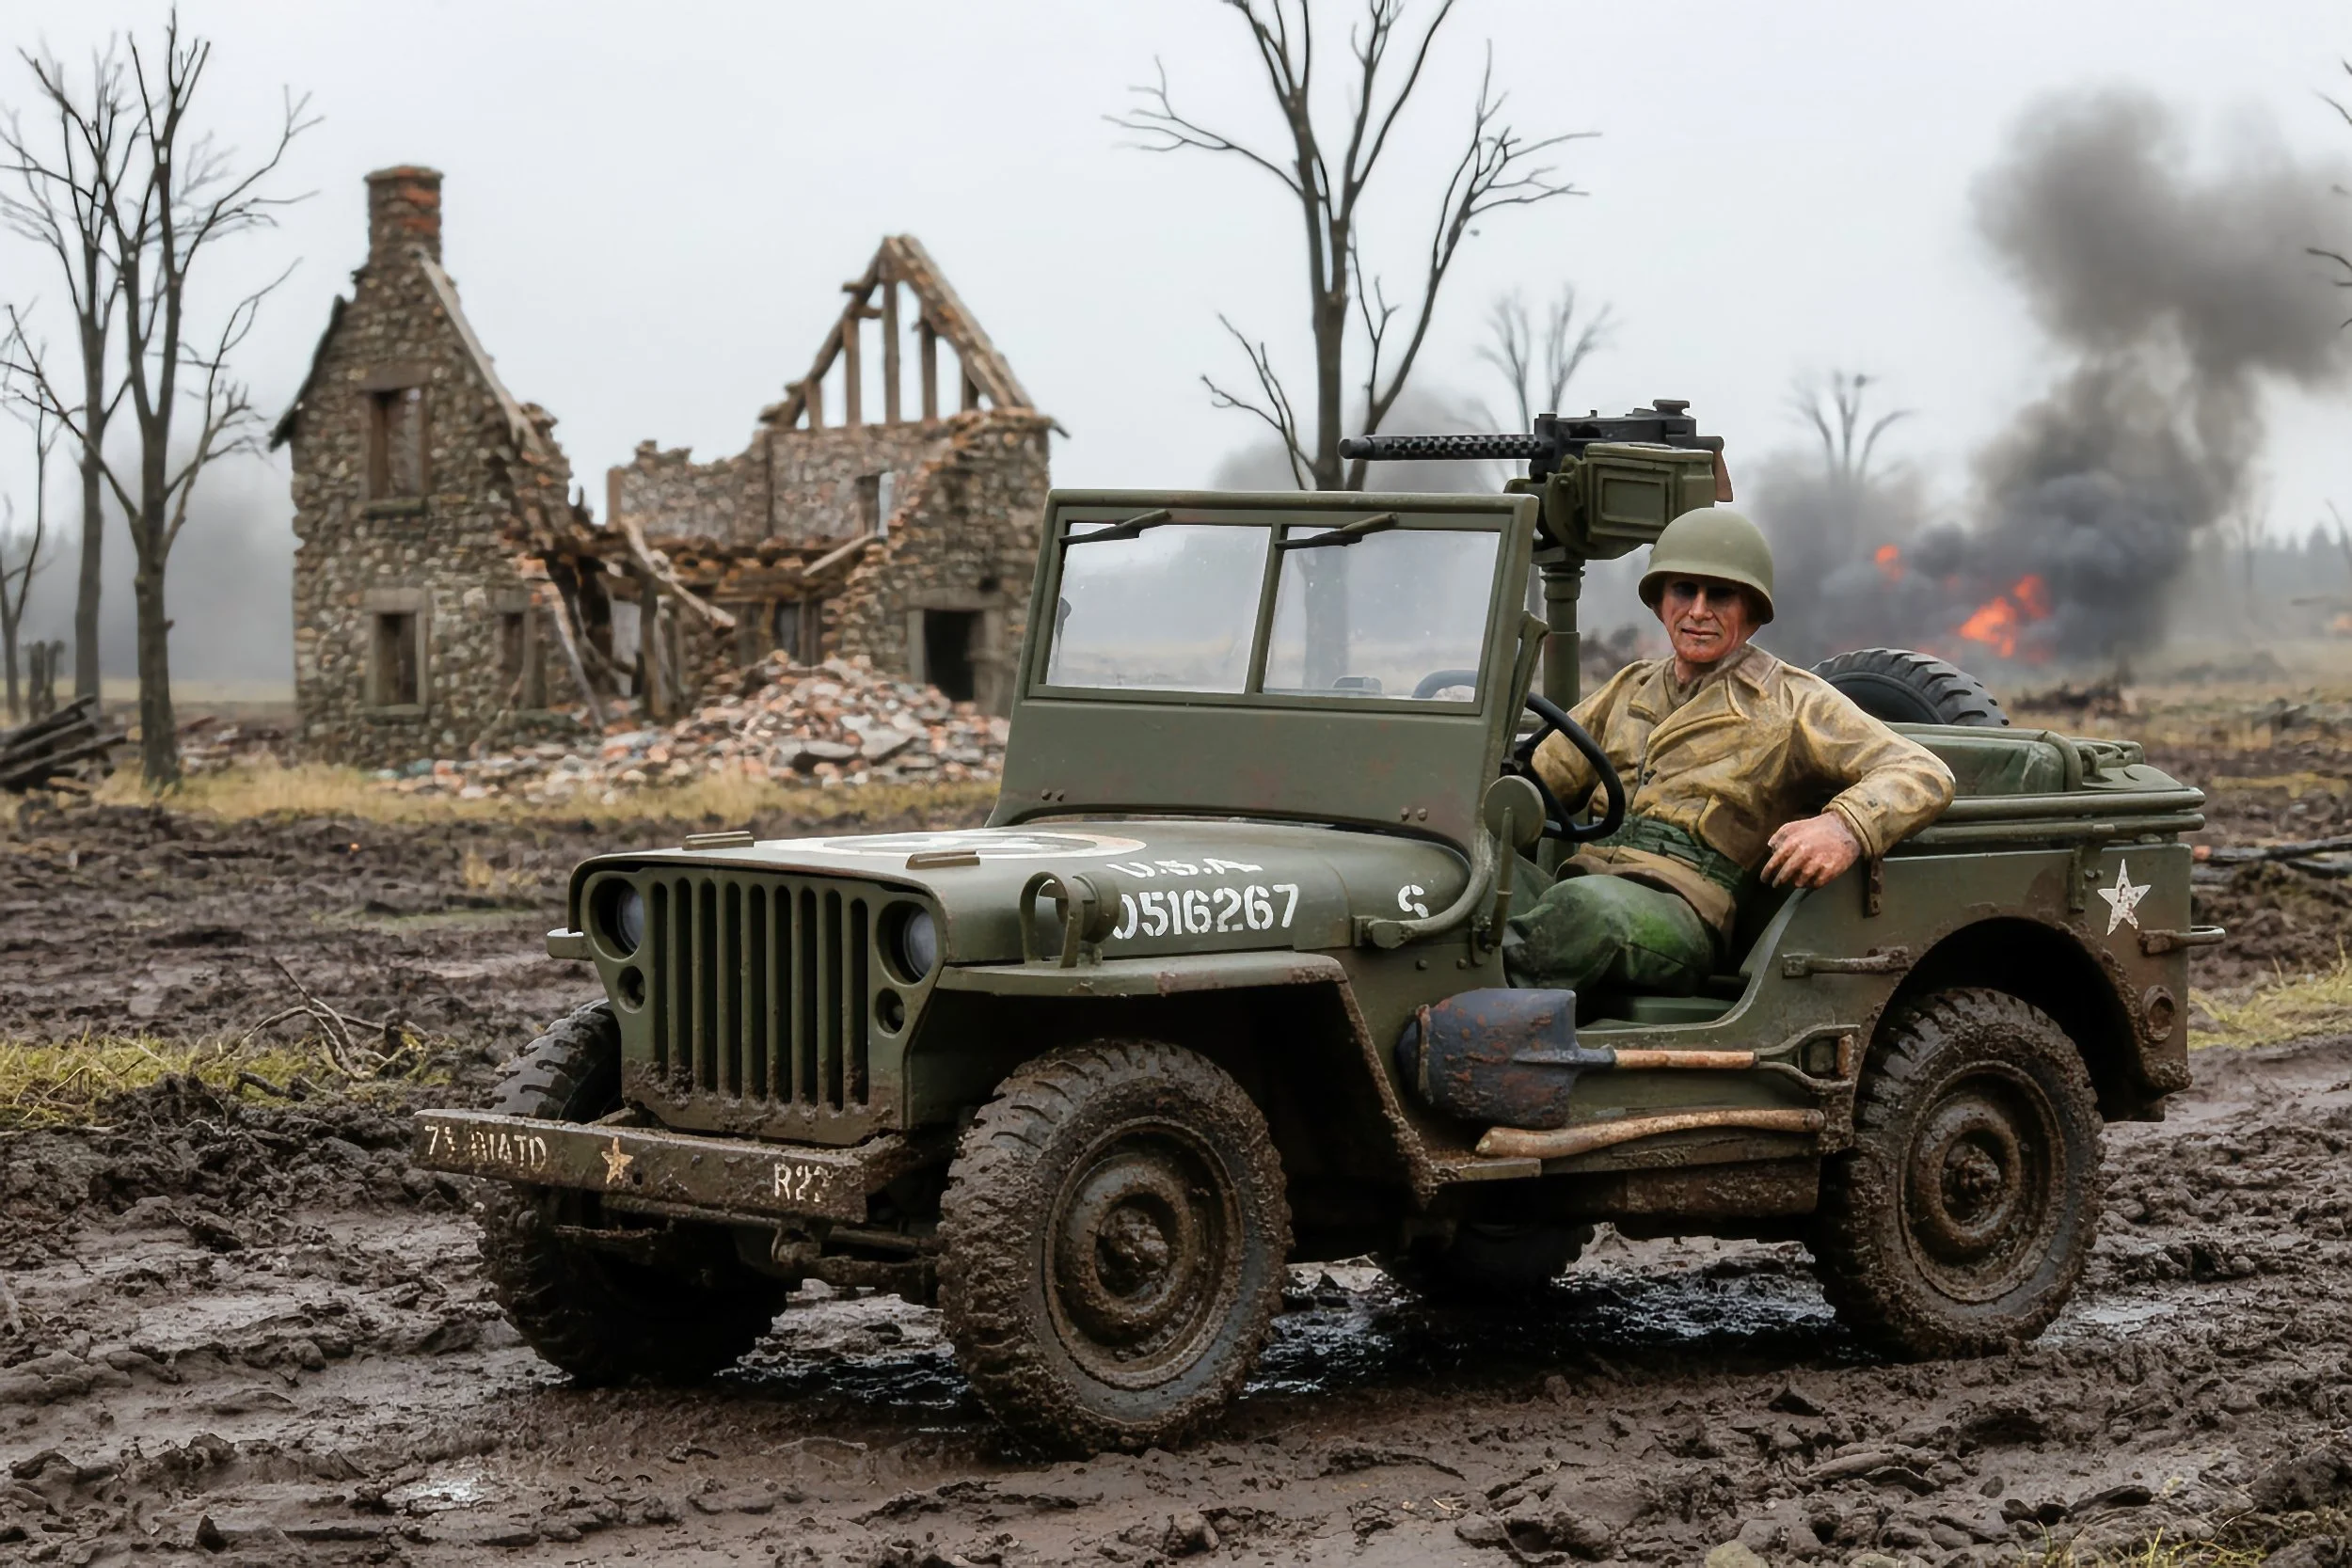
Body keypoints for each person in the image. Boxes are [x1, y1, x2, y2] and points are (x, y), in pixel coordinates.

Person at [1502, 506, 1955, 998]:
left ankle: (1467, 1015)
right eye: (1683, 591)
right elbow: (1538, 781)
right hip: (1581, 882)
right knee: (1465, 882)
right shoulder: (1630, 687)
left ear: (1752, 612)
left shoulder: (1793, 701)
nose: (1698, 611)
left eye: (1720, 595)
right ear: (1660, 602)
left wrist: (1843, 826)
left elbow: (1922, 771)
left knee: (1587, 911)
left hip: (1679, 912)